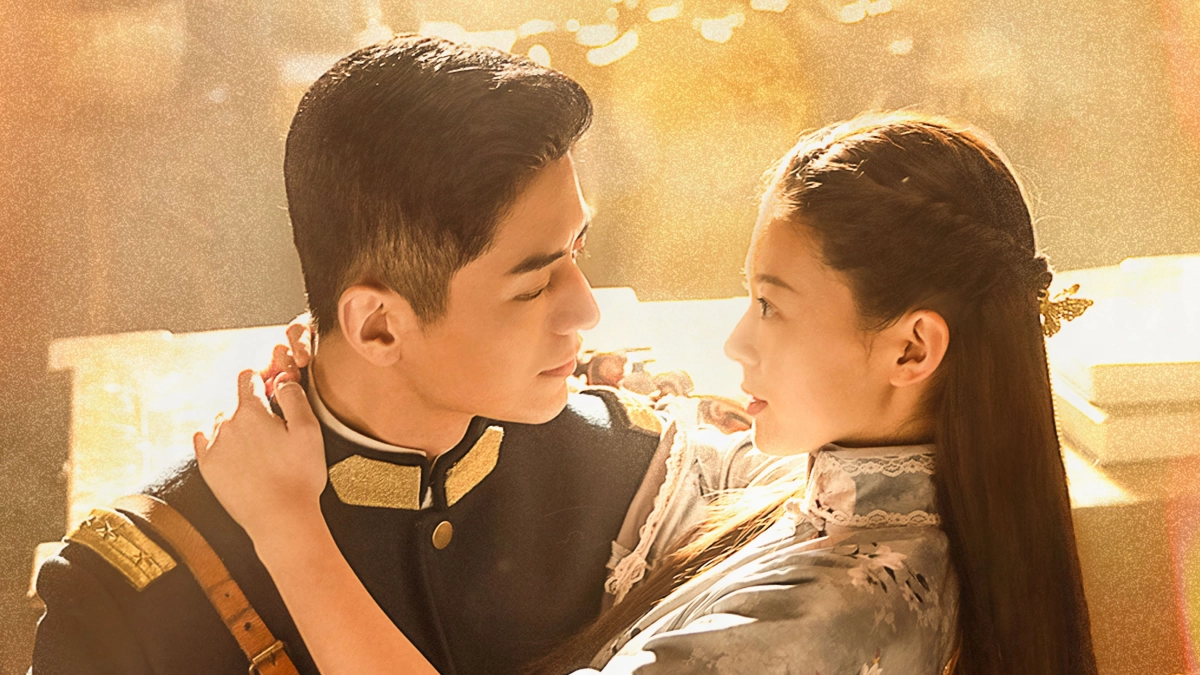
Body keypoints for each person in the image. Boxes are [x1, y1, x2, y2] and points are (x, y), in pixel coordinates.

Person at [195, 111, 1100, 675]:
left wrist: (287, 525)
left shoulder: (827, 621)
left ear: (912, 347)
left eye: (771, 306)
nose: (737, 341)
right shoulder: (876, 500)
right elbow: (710, 461)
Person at [31, 35, 686, 675]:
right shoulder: (126, 597)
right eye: (534, 285)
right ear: (377, 328)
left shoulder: (635, 484)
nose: (586, 310)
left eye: (578, 250)